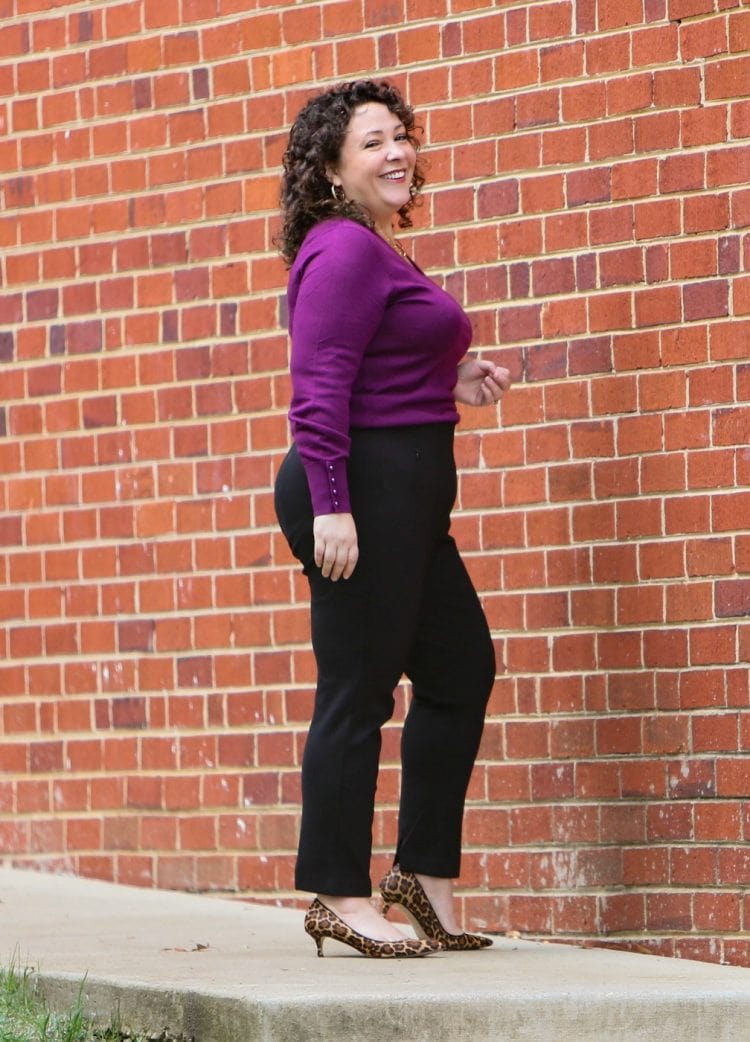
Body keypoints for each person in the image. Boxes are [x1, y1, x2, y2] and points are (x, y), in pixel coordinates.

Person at [273, 79, 511, 958]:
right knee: (359, 690)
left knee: (458, 670)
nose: (396, 152)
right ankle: (339, 891)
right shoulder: (343, 249)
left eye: (400, 136)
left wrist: (449, 378)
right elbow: (319, 389)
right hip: (358, 497)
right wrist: (334, 506)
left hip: (403, 497)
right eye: (371, 142)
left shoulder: (376, 251)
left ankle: (424, 877)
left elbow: (378, 364)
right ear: (334, 170)